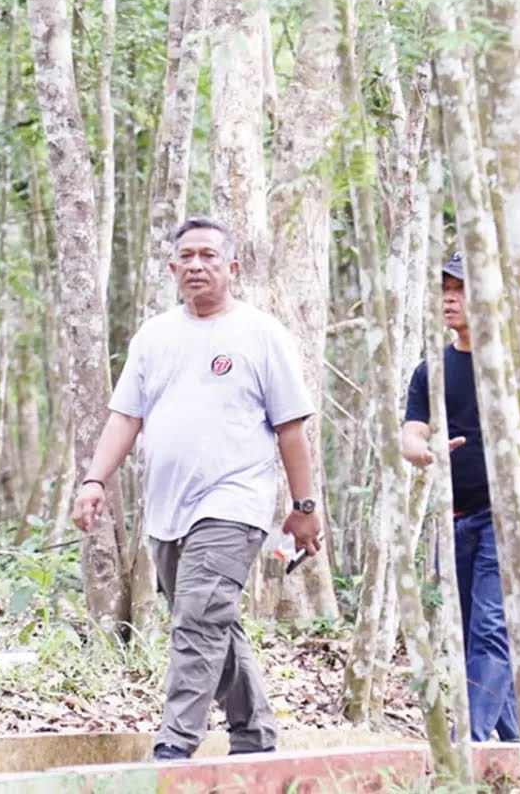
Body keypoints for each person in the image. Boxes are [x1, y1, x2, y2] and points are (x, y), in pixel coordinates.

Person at [71, 217, 323, 761]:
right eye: (186, 257)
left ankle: (174, 745)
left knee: (198, 618)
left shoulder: (261, 335)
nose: (196, 265)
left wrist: (303, 507)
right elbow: (124, 417)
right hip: (166, 512)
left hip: (234, 504)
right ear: (171, 268)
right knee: (211, 619)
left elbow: (291, 428)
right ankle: (254, 739)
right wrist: (95, 479)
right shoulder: (154, 337)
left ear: (232, 268)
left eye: (209, 256)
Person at [400, 251, 519, 742]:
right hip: (455, 517)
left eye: (462, 289)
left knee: (490, 627)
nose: (451, 298)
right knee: (472, 628)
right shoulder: (432, 369)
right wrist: (426, 452)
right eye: (446, 289)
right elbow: (409, 435)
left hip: (503, 516)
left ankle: (468, 740)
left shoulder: (511, 365)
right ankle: (514, 741)